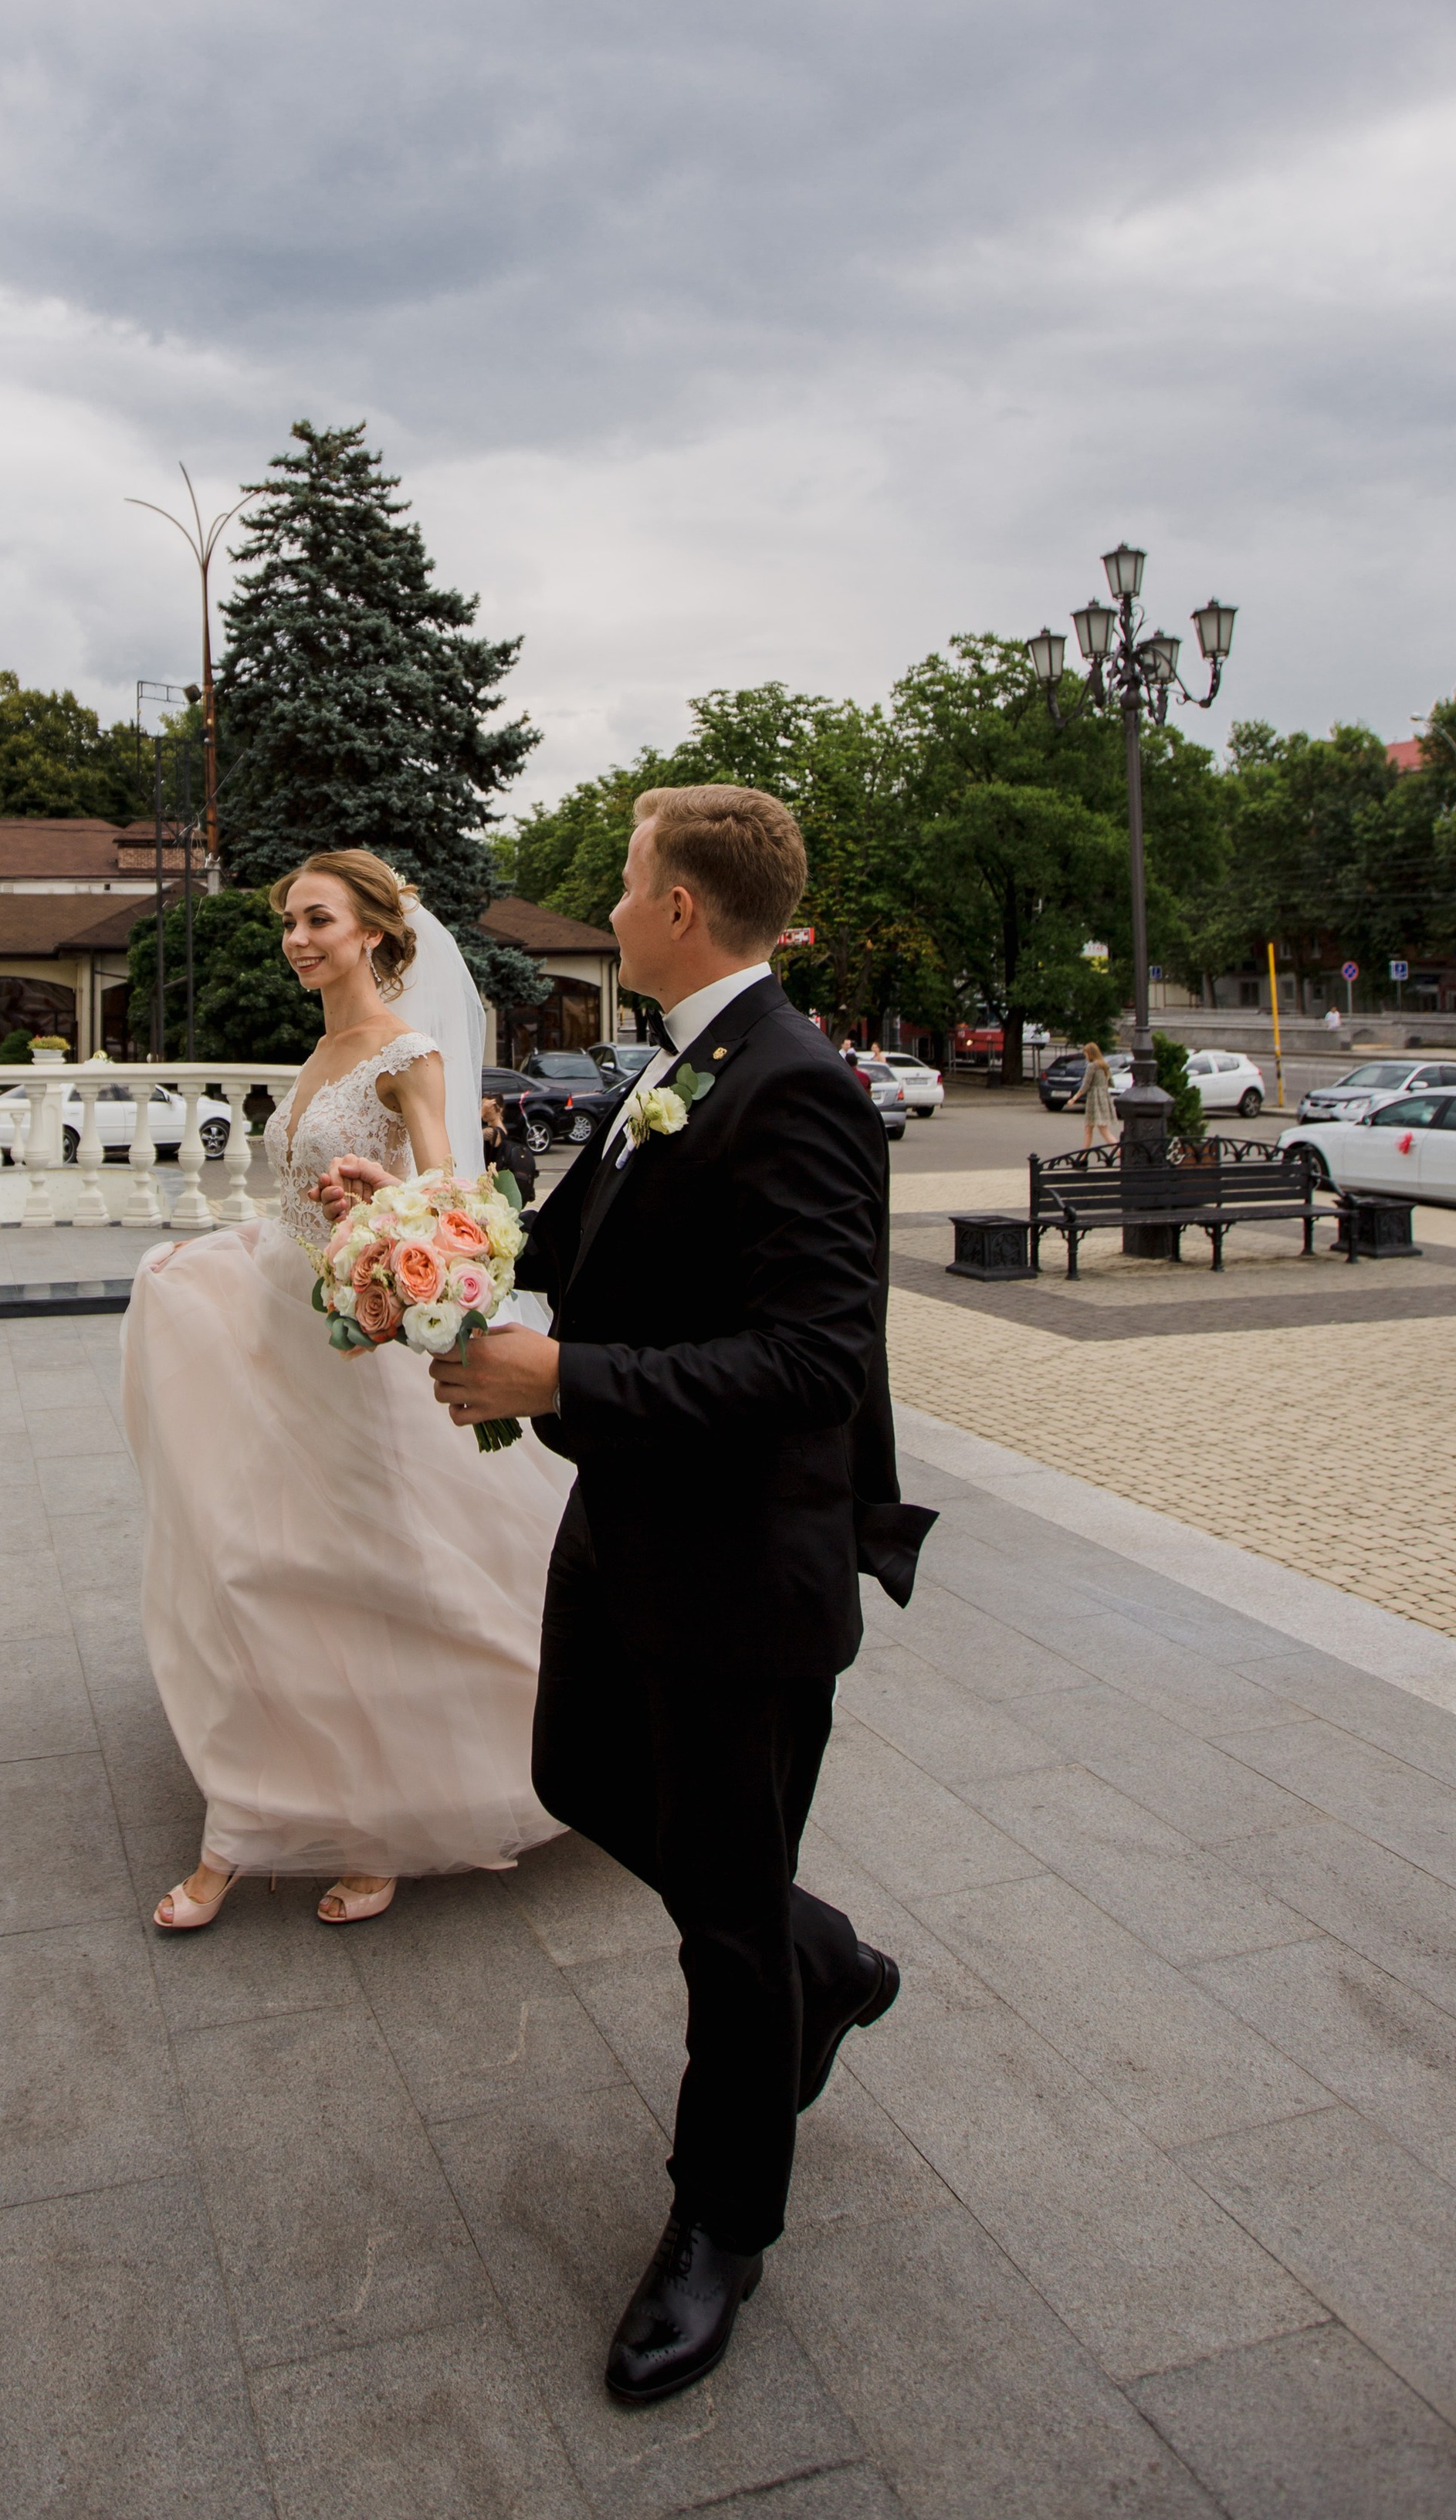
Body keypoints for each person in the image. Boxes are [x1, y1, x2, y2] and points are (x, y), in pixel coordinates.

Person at [404, 785, 937, 2407]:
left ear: (686, 911)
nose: (609, 903)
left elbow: (808, 1366)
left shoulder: (795, 1089)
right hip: (625, 1533)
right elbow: (576, 1244)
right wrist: (426, 1246)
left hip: (739, 1574)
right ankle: (821, 1959)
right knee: (579, 1777)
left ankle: (721, 2226)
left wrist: (561, 1368)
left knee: (721, 1924)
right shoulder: (674, 1060)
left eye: (627, 881)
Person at [117, 848, 568, 1935]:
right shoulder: (321, 1048)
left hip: (357, 1351)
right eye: (289, 924)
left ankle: (366, 1828)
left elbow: (452, 1206)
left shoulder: (408, 1054)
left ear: (373, 929)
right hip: (278, 1328)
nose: (297, 941)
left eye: (317, 920)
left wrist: (386, 1205)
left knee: (368, 1574)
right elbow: (292, 1207)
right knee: (258, 1563)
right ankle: (257, 1807)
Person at [480, 1089, 538, 1205]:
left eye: (488, 1106)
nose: (485, 1110)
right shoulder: (504, 1130)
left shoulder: (495, 1132)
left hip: (493, 1187)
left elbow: (474, 1137)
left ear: (499, 1109)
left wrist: (480, 1112)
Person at [1065, 1042, 1118, 1151]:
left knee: (1102, 1130)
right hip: (1104, 1097)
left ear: (1090, 1053)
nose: (1085, 1056)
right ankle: (1083, 1157)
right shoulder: (1105, 1065)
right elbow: (1111, 1082)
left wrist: (1074, 1099)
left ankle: (1118, 1149)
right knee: (1089, 1129)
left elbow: (1085, 1085)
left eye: (1086, 1054)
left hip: (1095, 1099)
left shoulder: (1092, 1066)